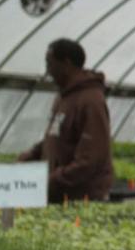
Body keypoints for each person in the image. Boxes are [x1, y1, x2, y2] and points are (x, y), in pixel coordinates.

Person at [20, 38, 113, 204]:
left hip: (81, 198)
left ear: (66, 64)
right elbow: (57, 133)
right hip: (59, 193)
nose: (47, 71)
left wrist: (53, 179)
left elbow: (91, 158)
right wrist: (35, 153)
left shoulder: (91, 100)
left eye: (50, 64)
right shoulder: (63, 97)